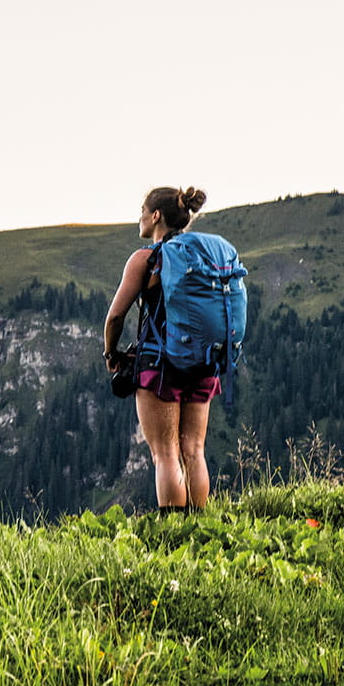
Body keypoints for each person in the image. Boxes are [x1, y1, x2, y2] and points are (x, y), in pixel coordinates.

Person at [103, 186, 216, 512]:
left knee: (165, 452)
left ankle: (173, 530)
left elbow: (115, 318)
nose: (139, 216)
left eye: (142, 209)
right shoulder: (205, 256)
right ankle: (199, 526)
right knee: (194, 449)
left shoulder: (146, 259)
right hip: (204, 360)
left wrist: (111, 354)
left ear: (155, 216)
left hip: (160, 363)